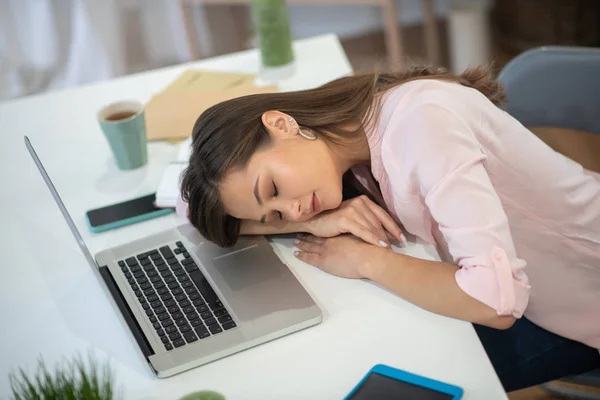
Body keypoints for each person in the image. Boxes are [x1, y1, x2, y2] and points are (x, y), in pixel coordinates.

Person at [177, 65, 600, 392]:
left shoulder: (421, 124)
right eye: (276, 216)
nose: (292, 210)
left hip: (577, 306)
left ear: (282, 124)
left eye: (273, 188)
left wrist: (366, 260)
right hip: (530, 288)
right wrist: (321, 218)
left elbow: (497, 302)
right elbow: (192, 211)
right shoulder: (347, 125)